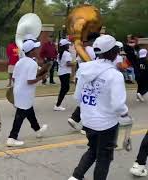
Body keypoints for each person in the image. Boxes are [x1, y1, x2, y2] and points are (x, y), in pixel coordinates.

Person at [68, 35, 130, 180]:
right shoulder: (115, 75)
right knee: (104, 157)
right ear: (114, 52)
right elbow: (118, 105)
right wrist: (126, 114)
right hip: (106, 124)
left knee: (93, 150)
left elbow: (78, 97)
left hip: (88, 121)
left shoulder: (84, 70)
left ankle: (76, 177)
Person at [6, 40, 48, 147]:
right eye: (36, 48)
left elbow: (14, 78)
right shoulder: (33, 64)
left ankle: (38, 130)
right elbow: (30, 81)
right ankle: (12, 138)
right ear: (32, 51)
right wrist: (41, 77)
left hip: (18, 91)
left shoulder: (19, 62)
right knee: (20, 115)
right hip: (25, 93)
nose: (38, 50)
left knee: (29, 112)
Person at [67, 32, 100, 133]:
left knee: (86, 100)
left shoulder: (83, 49)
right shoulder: (92, 50)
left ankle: (75, 118)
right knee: (91, 102)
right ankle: (86, 127)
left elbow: (78, 62)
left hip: (80, 76)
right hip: (89, 78)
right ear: (93, 40)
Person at [54, 39, 73, 111]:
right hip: (65, 72)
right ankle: (57, 105)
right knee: (65, 88)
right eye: (68, 44)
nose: (69, 45)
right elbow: (68, 63)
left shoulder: (60, 53)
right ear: (65, 46)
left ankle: (59, 101)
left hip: (61, 72)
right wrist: (74, 63)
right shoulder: (67, 53)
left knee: (64, 88)